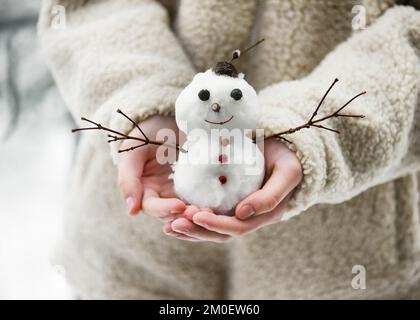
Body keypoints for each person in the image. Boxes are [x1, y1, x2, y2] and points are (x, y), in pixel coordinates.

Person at [38, 0, 420, 299]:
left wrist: (320, 137)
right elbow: (86, 6)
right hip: (130, 267)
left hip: (353, 272)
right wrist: (141, 99)